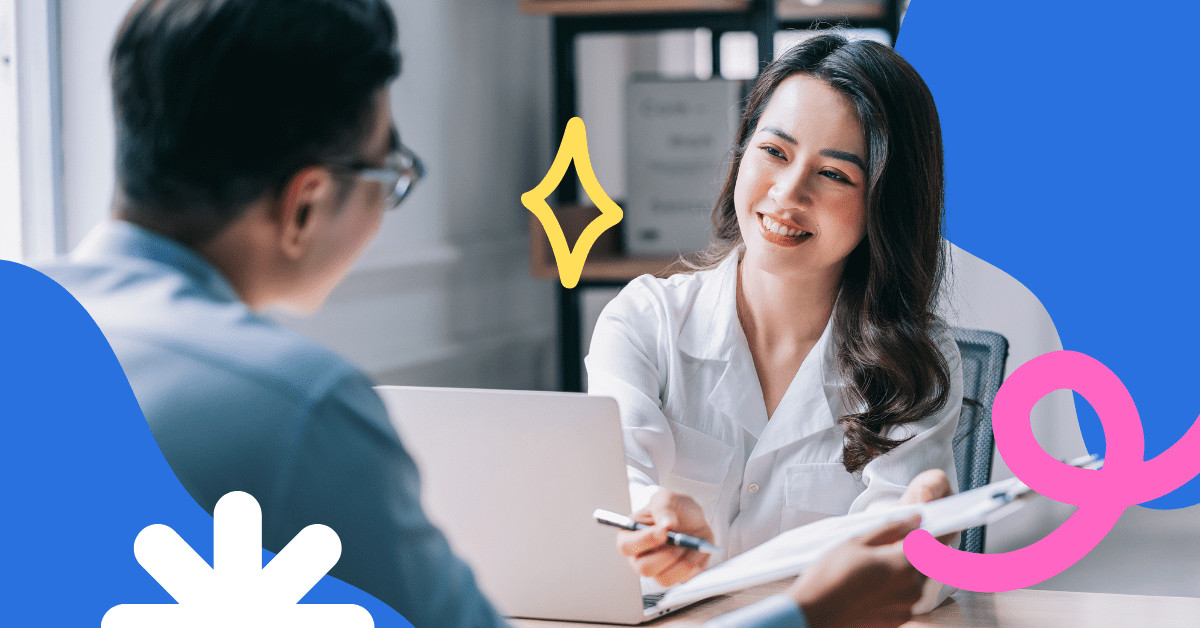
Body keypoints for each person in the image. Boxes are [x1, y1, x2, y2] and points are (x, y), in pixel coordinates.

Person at [41, 3, 936, 627]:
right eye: (389, 177)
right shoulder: (298, 408)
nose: (787, 192)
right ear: (307, 204)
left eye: (836, 172)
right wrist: (812, 616)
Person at [587, 33, 963, 587]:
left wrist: (923, 550)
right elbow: (611, 477)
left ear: (887, 203)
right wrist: (650, 515)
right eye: (774, 152)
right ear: (742, 152)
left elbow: (891, 578)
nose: (789, 192)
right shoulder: (644, 322)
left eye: (834, 174)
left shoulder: (915, 361)